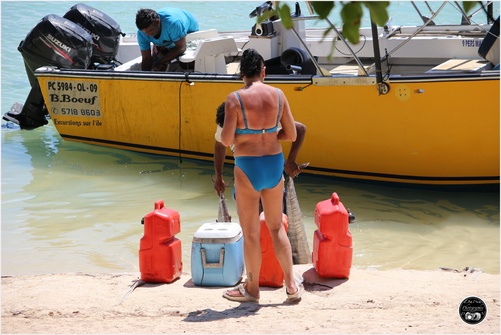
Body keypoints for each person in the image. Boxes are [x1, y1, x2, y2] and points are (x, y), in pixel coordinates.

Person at [219, 48, 303, 303]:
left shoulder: (234, 99)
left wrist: (247, 135)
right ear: (263, 72)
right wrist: (268, 135)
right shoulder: (278, 94)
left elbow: (225, 139)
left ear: (241, 74)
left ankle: (252, 289)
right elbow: (291, 134)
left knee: (252, 232)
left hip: (247, 166)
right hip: (274, 164)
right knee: (277, 227)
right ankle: (291, 286)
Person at [213, 101, 307, 196]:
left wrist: (291, 160)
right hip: (250, 174)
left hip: (266, 175)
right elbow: (219, 146)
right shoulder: (224, 123)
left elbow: (300, 128)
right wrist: (219, 177)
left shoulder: (262, 119)